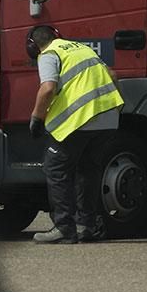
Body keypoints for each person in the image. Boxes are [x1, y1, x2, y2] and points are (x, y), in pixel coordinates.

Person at [27, 25, 124, 244]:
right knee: (88, 171)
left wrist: (36, 118)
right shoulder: (83, 48)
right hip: (108, 120)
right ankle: (86, 226)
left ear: (33, 46)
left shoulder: (50, 54)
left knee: (56, 168)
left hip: (79, 121)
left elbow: (48, 88)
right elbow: (113, 75)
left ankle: (63, 228)